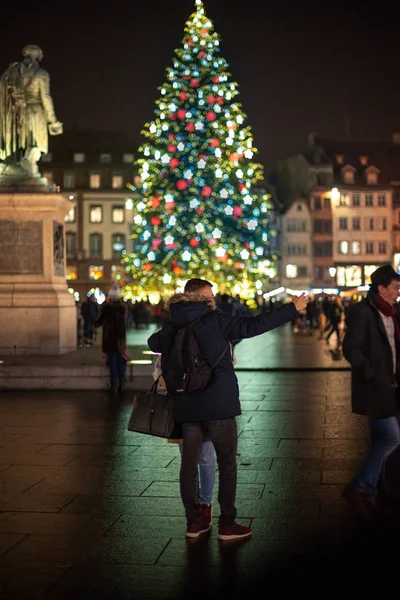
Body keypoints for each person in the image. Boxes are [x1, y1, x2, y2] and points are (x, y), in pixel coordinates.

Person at [148, 278, 306, 540]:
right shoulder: (216, 320)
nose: (214, 299)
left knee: (188, 467)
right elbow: (253, 325)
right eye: (209, 296)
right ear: (199, 298)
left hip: (186, 406)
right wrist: (292, 309)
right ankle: (228, 524)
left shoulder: (173, 324)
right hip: (218, 404)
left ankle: (194, 523)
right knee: (227, 464)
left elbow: (153, 344)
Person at [342, 265, 400, 518]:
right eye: (395, 288)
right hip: (376, 387)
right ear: (381, 288)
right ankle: (358, 487)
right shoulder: (363, 312)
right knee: (390, 438)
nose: (398, 293)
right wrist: (371, 372)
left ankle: (376, 488)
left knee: (381, 440)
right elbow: (351, 349)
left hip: (391, 385)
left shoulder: (392, 312)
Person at [96, 284, 127, 395]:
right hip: (120, 338)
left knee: (112, 360)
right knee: (120, 360)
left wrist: (92, 324)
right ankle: (122, 383)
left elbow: (99, 321)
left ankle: (115, 383)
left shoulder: (107, 308)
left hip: (110, 338)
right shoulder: (122, 308)